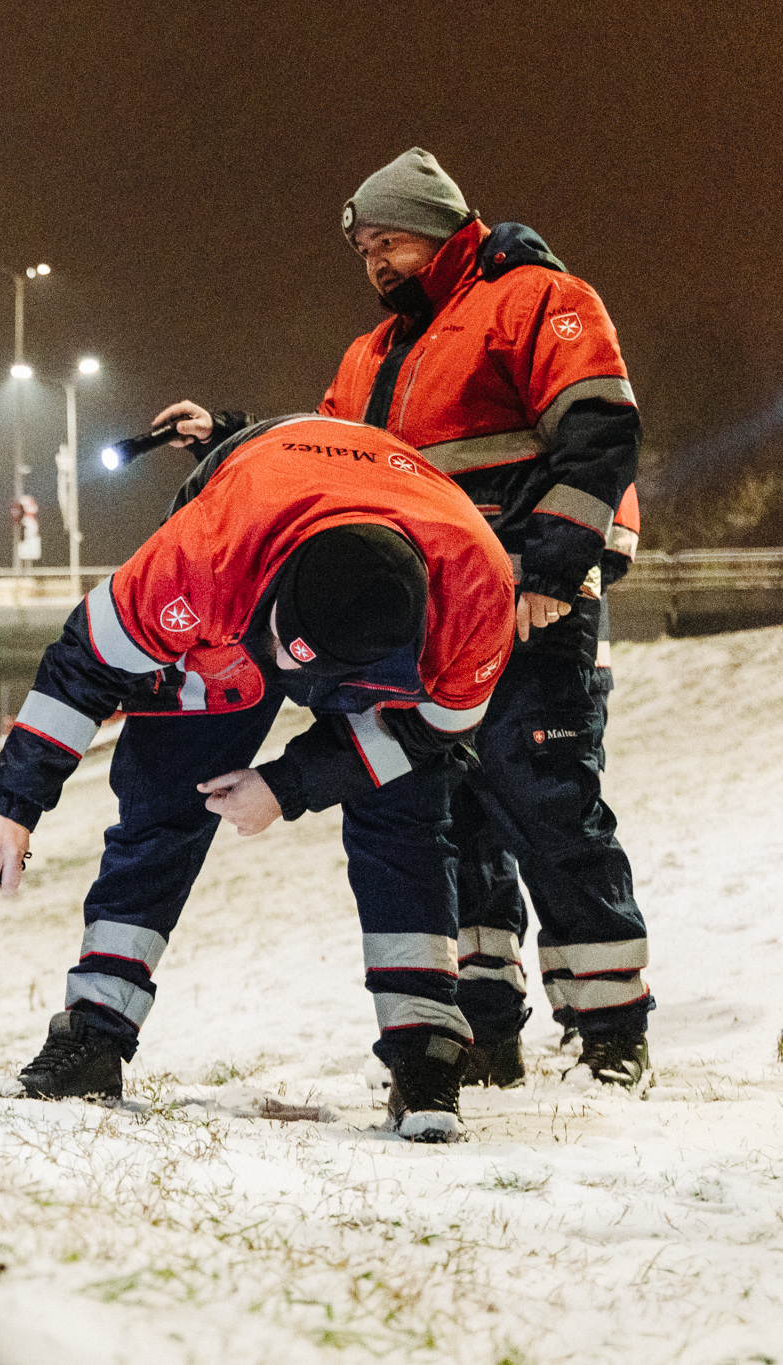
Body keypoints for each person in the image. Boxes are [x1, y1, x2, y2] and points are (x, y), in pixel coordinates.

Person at [152, 148, 652, 1090]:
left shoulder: (537, 299)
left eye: (392, 241)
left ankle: (612, 1028)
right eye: (365, 250)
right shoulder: (376, 353)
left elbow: (599, 434)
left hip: (534, 604)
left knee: (547, 805)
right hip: (433, 623)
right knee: (459, 821)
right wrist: (228, 434)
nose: (377, 263)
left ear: (443, 227)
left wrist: (549, 568)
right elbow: (329, 454)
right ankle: (489, 1028)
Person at [0, 415, 514, 1142]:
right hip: (248, 542)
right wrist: (10, 806)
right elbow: (83, 663)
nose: (288, 670)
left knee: (408, 809)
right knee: (164, 793)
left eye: (311, 667)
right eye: (287, 644)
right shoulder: (202, 554)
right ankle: (93, 1038)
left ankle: (426, 1056)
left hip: (392, 543)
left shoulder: (476, 598)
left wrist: (289, 783)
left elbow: (430, 733)